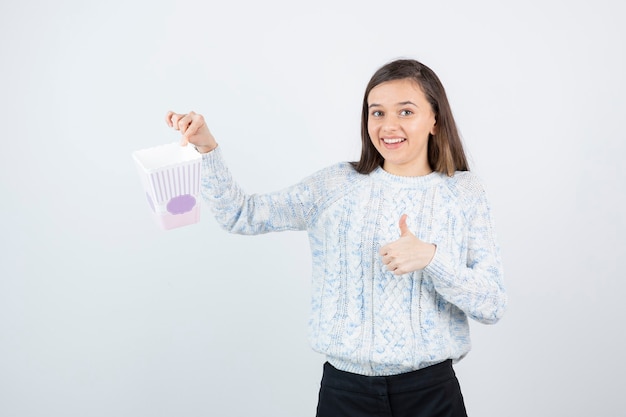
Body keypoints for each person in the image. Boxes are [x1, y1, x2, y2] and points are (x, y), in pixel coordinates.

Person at [165, 58, 507, 417]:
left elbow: (492, 305)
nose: (389, 125)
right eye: (377, 113)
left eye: (405, 111)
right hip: (346, 396)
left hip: (431, 395)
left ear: (435, 119)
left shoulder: (464, 192)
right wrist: (206, 148)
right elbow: (241, 215)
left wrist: (432, 259)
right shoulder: (334, 186)